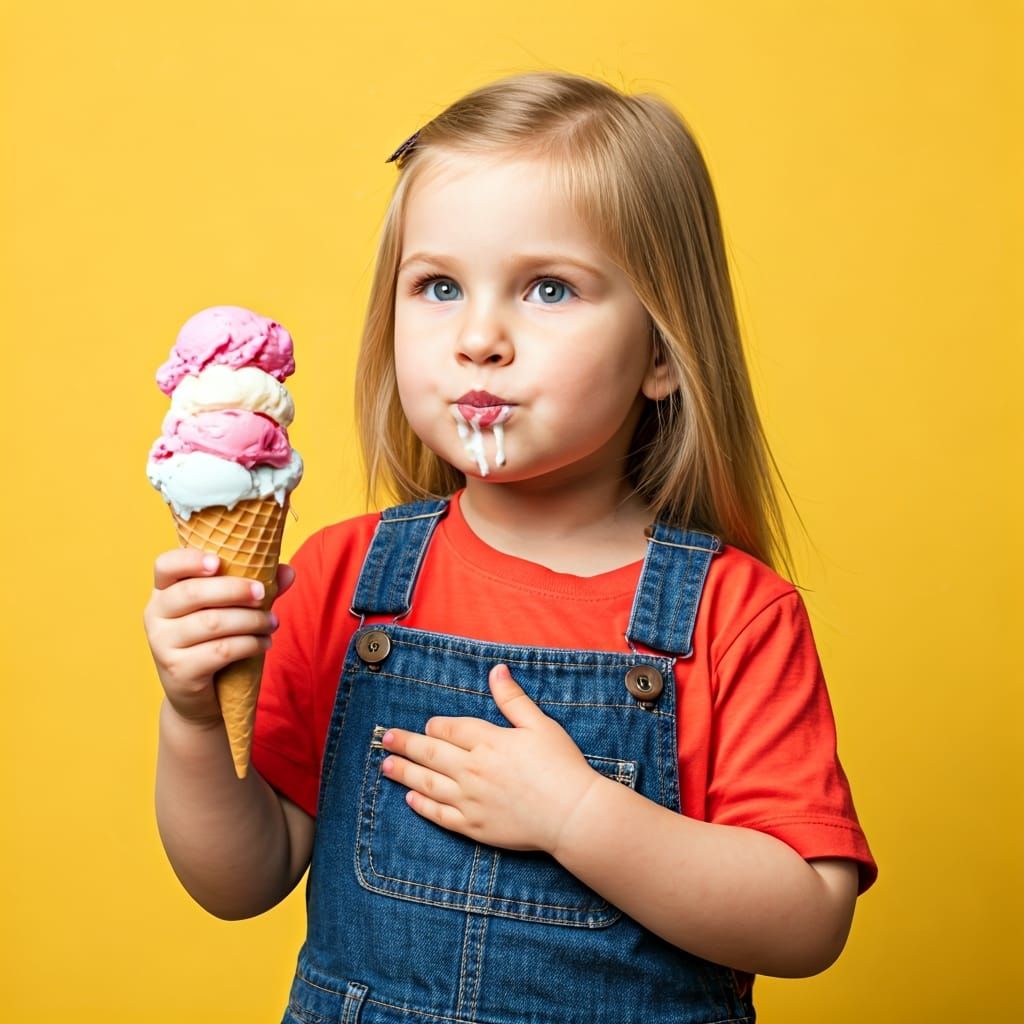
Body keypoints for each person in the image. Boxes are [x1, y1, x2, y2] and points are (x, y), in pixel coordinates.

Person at [145, 71, 876, 1024]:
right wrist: (196, 723)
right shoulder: (344, 580)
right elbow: (241, 881)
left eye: (548, 288)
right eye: (438, 285)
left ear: (661, 350)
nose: (479, 338)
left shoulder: (731, 615)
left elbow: (807, 921)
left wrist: (577, 817)